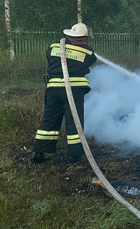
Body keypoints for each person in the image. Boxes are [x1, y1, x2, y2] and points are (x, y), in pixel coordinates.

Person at [31, 22, 97, 163]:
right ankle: (75, 154)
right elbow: (91, 61)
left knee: (50, 119)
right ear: (83, 38)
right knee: (74, 121)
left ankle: (38, 152)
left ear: (69, 35)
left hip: (53, 89)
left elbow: (50, 58)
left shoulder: (53, 47)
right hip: (73, 91)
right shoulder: (88, 52)